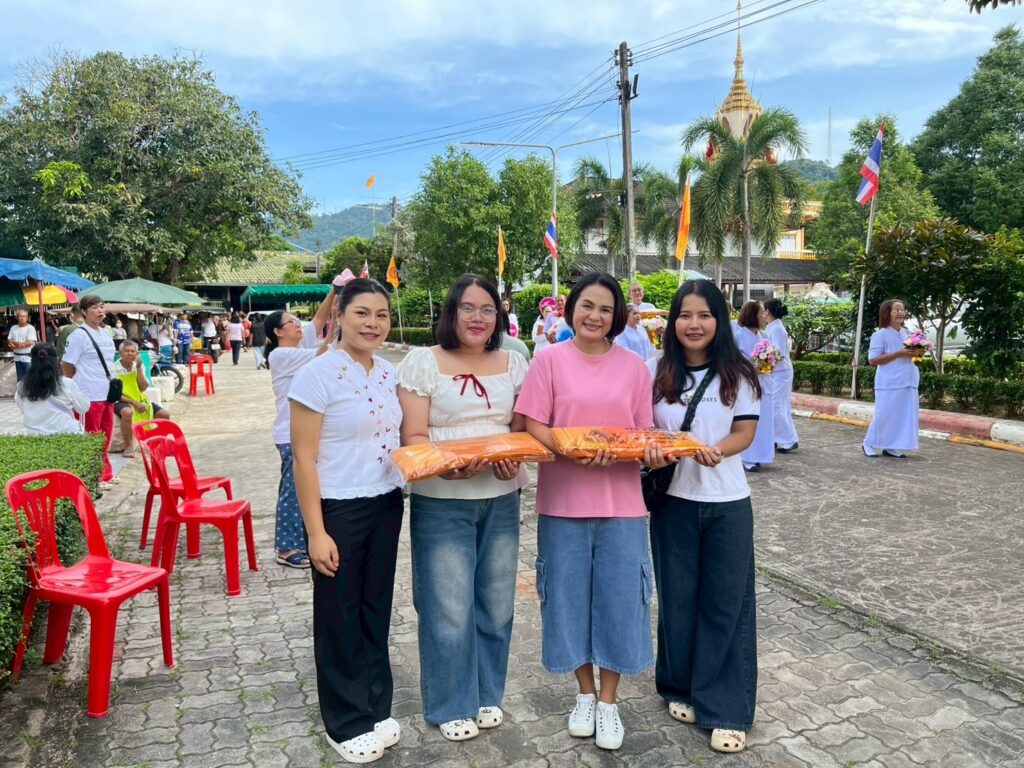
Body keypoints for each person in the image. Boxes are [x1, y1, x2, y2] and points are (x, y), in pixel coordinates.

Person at [515, 272, 656, 752]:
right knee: (567, 600)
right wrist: (569, 449)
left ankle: (610, 701)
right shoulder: (549, 360)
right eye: (587, 306)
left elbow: (641, 432)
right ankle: (584, 694)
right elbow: (533, 422)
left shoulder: (634, 367)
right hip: (562, 502)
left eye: (605, 309)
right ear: (571, 309)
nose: (594, 316)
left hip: (621, 505)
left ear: (617, 316)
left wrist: (636, 451)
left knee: (621, 600)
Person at [397, 274, 528, 743]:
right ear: (451, 313)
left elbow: (519, 431)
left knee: (496, 604)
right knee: (448, 607)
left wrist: (514, 458)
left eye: (487, 309)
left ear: (498, 316)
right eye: (468, 308)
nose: (478, 318)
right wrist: (446, 467)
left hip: (501, 498)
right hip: (441, 499)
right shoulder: (423, 362)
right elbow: (413, 435)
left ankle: (487, 692)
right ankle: (451, 702)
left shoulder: (514, 363)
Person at [290, 278, 404, 765]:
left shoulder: (387, 372)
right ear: (339, 315)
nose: (372, 324)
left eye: (381, 315)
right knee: (339, 612)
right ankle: (345, 721)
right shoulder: (317, 375)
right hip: (337, 507)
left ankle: (376, 705)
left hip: (386, 502)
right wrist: (316, 532)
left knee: (375, 607)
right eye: (362, 313)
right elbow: (303, 458)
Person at [646, 279, 761, 755]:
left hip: (727, 503)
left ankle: (726, 708)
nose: (694, 324)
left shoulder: (739, 372)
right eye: (685, 315)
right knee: (677, 598)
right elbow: (644, 430)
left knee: (726, 603)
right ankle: (678, 684)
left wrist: (717, 449)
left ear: (720, 320)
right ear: (673, 321)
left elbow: (745, 432)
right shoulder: (657, 372)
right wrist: (652, 451)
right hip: (673, 501)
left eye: (705, 315)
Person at [266, 288, 336, 569]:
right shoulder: (280, 355)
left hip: (305, 431)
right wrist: (339, 322)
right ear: (277, 332)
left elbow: (318, 320)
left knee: (306, 487)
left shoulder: (296, 347)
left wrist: (334, 290)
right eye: (291, 322)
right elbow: (324, 351)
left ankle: (302, 539)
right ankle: (286, 548)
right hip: (289, 433)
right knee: (293, 491)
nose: (298, 324)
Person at [61, 295, 118, 487]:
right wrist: (76, 387)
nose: (100, 311)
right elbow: (67, 364)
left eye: (102, 306)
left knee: (105, 435)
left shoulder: (106, 334)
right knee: (91, 436)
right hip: (88, 395)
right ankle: (93, 478)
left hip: (107, 393)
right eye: (94, 307)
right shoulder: (78, 336)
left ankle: (105, 473)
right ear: (84, 312)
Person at [863, 299, 920, 458]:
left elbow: (915, 357)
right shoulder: (880, 335)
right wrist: (898, 353)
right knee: (884, 415)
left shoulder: (908, 333)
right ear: (887, 313)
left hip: (908, 380)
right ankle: (868, 443)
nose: (901, 313)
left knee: (901, 417)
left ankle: (892, 446)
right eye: (897, 310)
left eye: (902, 310)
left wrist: (919, 351)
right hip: (889, 382)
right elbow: (873, 360)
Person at [15, 343, 90, 435]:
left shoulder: (21, 386)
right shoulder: (67, 384)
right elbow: (83, 408)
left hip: (34, 435)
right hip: (66, 434)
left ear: (32, 360)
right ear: (57, 360)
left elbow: (23, 409)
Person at [735, 301, 774, 472]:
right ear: (753, 315)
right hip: (746, 382)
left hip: (764, 381)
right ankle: (746, 457)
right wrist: (751, 365)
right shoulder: (738, 336)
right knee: (748, 419)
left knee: (763, 420)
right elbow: (734, 360)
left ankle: (759, 455)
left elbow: (772, 357)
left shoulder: (764, 336)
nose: (764, 316)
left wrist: (771, 361)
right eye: (761, 313)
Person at [114, 340, 170, 459]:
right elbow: (115, 394)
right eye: (126, 351)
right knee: (127, 412)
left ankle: (157, 443)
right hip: (120, 399)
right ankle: (129, 446)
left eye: (133, 351)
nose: (130, 354)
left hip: (138, 397)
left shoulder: (139, 366)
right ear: (120, 353)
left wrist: (139, 368)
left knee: (164, 414)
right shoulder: (113, 368)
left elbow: (143, 388)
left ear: (137, 354)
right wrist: (134, 403)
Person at [763, 298, 798, 453]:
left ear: (768, 311)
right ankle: (776, 438)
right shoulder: (772, 326)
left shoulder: (777, 328)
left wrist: (762, 360)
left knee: (776, 406)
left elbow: (778, 354)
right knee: (778, 406)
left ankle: (788, 439)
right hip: (776, 372)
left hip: (781, 373)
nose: (762, 314)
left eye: (764, 310)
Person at [8, 309, 38, 382]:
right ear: (16, 317)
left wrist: (16, 345)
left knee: (29, 379)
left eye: (24, 316)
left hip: (28, 358)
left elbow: (30, 342)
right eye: (20, 316)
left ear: (27, 317)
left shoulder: (30, 328)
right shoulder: (13, 328)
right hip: (17, 357)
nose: (22, 318)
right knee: (20, 379)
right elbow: (9, 339)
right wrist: (19, 344)